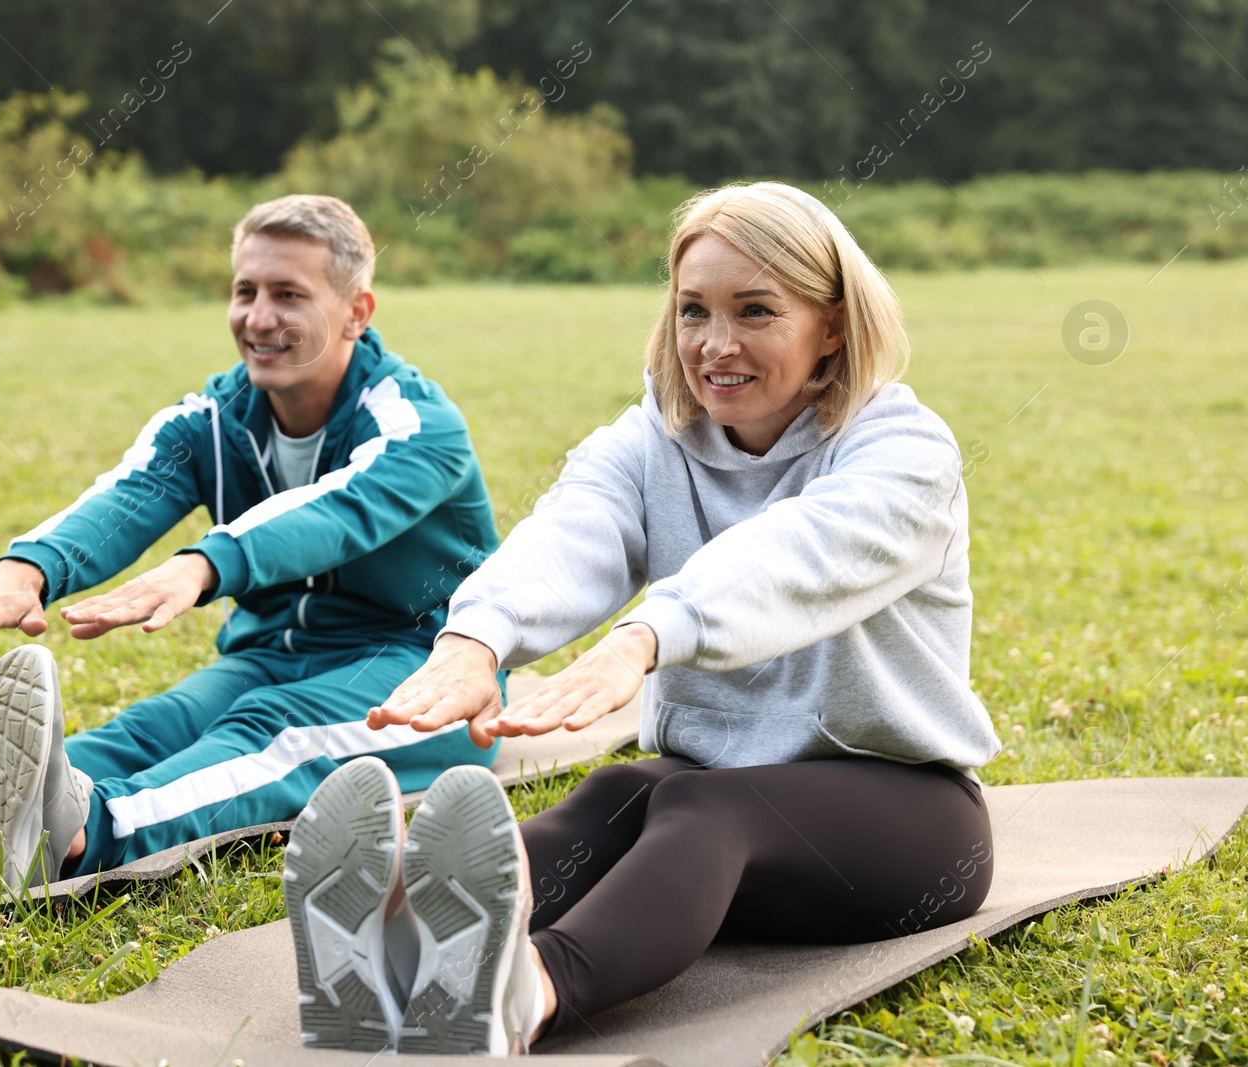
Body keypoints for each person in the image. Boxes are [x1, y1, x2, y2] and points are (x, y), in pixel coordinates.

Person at [281, 181, 1002, 1055]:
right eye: (693, 310)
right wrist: (478, 639)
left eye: (756, 310)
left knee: (701, 802)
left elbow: (796, 556)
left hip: (910, 822)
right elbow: (572, 527)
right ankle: (397, 942)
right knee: (621, 792)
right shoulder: (653, 439)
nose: (715, 343)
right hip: (728, 801)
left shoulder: (902, 450)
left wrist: (646, 635)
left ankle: (526, 992)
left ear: (835, 325)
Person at [0, 194, 503, 891]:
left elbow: (336, 510)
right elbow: (129, 493)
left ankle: (82, 835)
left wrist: (205, 564)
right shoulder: (210, 418)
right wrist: (27, 568)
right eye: (245, 291)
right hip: (272, 655)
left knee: (265, 733)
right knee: (152, 728)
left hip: (424, 675)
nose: (258, 318)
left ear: (357, 312)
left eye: (288, 295)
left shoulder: (418, 424)